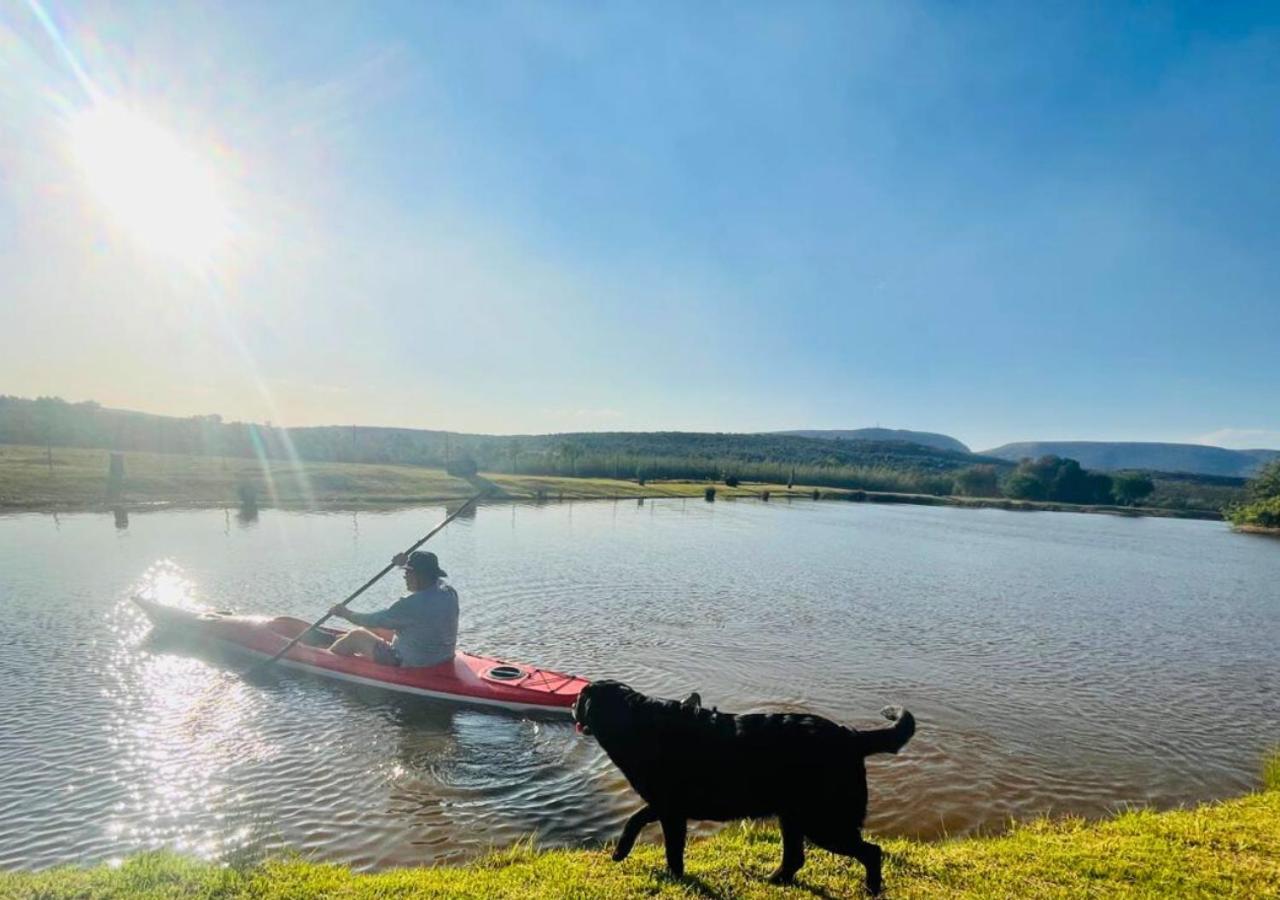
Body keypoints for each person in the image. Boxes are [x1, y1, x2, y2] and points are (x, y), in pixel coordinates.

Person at [328, 550, 458, 667]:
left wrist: (346, 613)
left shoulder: (411, 604)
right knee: (378, 629)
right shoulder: (448, 592)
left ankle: (326, 655)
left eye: (408, 572)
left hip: (410, 662)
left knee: (357, 635)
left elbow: (374, 619)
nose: (405, 577)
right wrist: (404, 562)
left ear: (420, 576)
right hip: (441, 656)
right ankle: (334, 639)